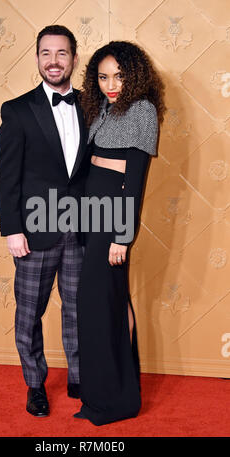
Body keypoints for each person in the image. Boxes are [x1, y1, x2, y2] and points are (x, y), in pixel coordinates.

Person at [0, 25, 89, 418]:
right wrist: (12, 229)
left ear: (74, 58)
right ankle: (35, 384)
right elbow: (6, 175)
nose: (54, 61)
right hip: (35, 230)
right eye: (46, 53)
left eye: (62, 53)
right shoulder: (17, 110)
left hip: (83, 228)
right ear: (37, 58)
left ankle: (80, 376)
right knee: (29, 311)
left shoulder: (92, 105)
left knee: (79, 309)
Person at [74, 41, 166, 425]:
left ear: (134, 75)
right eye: (104, 76)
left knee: (100, 303)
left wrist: (122, 236)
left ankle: (117, 399)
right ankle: (104, 394)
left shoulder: (143, 111)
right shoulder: (103, 110)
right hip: (91, 216)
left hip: (113, 221)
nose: (112, 84)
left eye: (119, 75)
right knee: (106, 302)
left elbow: (136, 180)